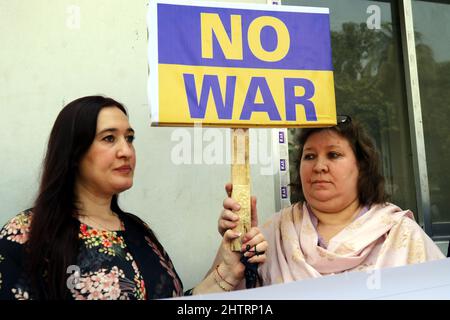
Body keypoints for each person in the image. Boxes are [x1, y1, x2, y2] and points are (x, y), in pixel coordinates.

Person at [0, 95, 267, 300]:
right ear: (73, 152)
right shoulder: (25, 235)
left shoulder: (139, 231)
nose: (126, 150)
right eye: (109, 138)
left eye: (129, 138)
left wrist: (228, 266)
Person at [218, 116, 445, 286]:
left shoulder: (400, 235)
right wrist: (237, 243)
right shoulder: (274, 232)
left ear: (362, 167)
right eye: (310, 156)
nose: (319, 166)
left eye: (333, 155)